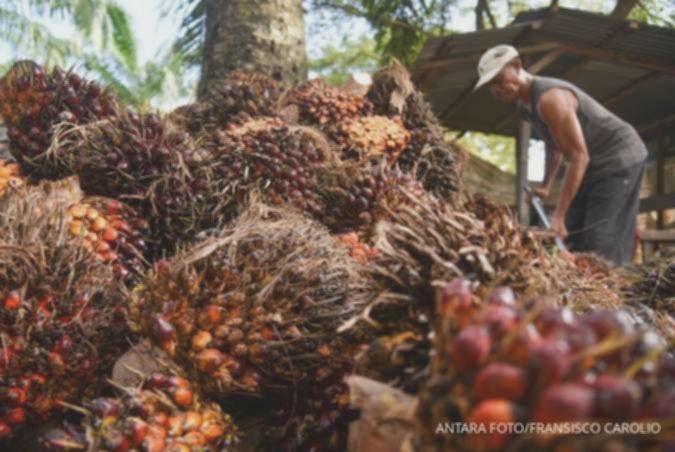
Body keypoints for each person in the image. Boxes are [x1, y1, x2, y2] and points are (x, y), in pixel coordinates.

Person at [473, 44, 647, 266]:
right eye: (491, 85)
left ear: (516, 66)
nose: (497, 89)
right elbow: (553, 145)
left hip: (619, 158)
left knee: (600, 237)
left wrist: (559, 215)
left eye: (499, 79)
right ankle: (583, 280)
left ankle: (613, 283)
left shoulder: (550, 98)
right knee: (573, 232)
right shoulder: (525, 107)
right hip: (591, 165)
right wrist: (545, 186)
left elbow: (578, 157)